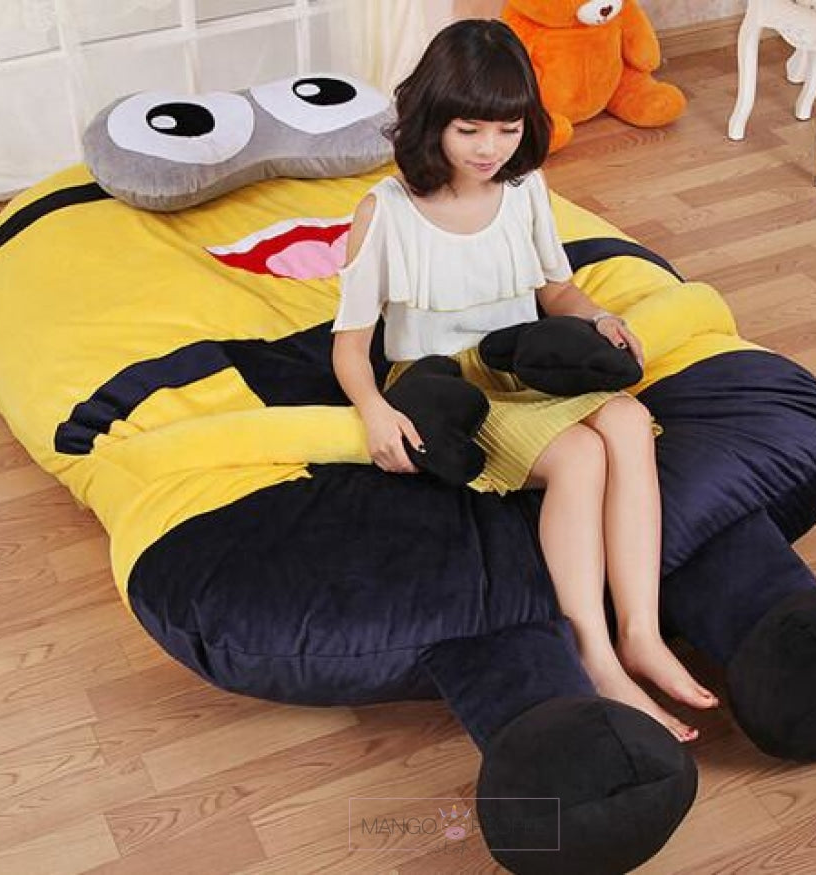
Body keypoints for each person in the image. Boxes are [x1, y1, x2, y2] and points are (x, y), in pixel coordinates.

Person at [331, 19, 717, 742]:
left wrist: (600, 317)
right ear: (432, 121)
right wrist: (375, 409)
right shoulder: (384, 213)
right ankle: (595, 652)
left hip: (524, 357)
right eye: (469, 130)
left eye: (507, 130)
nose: (489, 149)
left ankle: (640, 631)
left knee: (629, 420)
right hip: (448, 380)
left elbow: (556, 290)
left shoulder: (525, 188)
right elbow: (350, 346)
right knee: (581, 455)